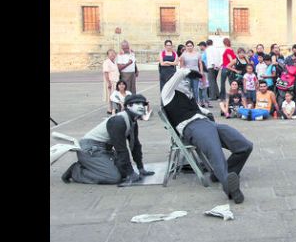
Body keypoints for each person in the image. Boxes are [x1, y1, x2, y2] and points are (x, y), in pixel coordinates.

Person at [161, 68, 253, 203]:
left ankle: (221, 174)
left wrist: (208, 113)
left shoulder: (188, 96)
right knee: (215, 151)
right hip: (191, 127)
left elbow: (201, 110)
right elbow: (179, 74)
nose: (186, 83)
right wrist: (193, 73)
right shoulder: (167, 94)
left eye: (187, 81)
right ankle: (229, 187)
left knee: (244, 146)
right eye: (184, 81)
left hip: (206, 124)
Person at [61, 94, 155, 186]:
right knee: (114, 178)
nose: (142, 106)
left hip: (104, 150)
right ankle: (76, 171)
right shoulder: (118, 121)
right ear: (128, 106)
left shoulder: (132, 121)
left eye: (143, 104)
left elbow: (135, 145)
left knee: (123, 173)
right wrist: (131, 173)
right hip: (89, 150)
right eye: (137, 103)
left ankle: (92, 166)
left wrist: (141, 168)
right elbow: (121, 149)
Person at [102, 49, 121, 114]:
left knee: (115, 95)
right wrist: (108, 83)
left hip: (115, 80)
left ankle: (114, 108)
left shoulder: (114, 61)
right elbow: (106, 73)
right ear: (108, 55)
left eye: (113, 53)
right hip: (110, 81)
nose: (112, 54)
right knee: (110, 96)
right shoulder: (106, 62)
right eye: (111, 53)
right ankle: (110, 109)